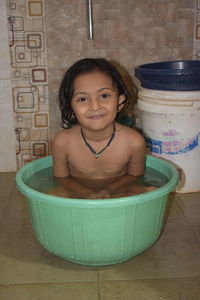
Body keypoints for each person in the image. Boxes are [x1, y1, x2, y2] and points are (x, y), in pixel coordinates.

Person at [51, 58, 151, 199]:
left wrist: (110, 190)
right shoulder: (62, 142)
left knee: (149, 190)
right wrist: (86, 193)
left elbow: (135, 177)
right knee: (52, 194)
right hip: (78, 196)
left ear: (120, 102)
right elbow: (61, 180)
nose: (95, 106)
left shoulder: (134, 142)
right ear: (71, 108)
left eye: (104, 96)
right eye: (83, 99)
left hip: (118, 194)